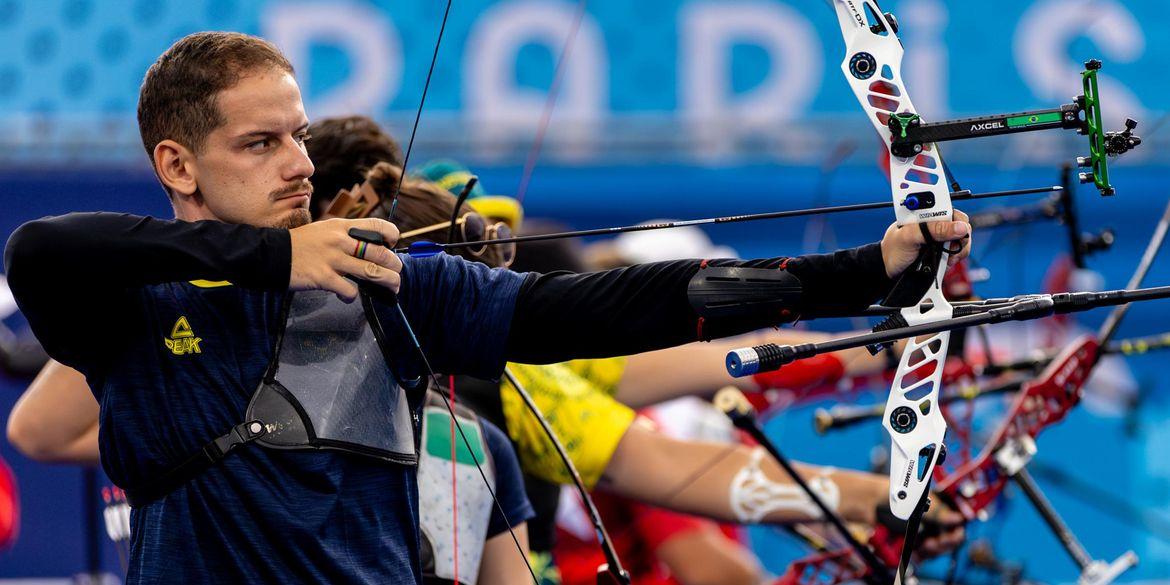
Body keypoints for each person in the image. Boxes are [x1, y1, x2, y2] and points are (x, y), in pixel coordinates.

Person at [3, 31, 972, 584]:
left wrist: (864, 274)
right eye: (260, 145)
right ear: (178, 165)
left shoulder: (396, 286)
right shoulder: (131, 311)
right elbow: (40, 250)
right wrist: (272, 257)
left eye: (298, 136)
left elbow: (603, 312)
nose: (298, 163)